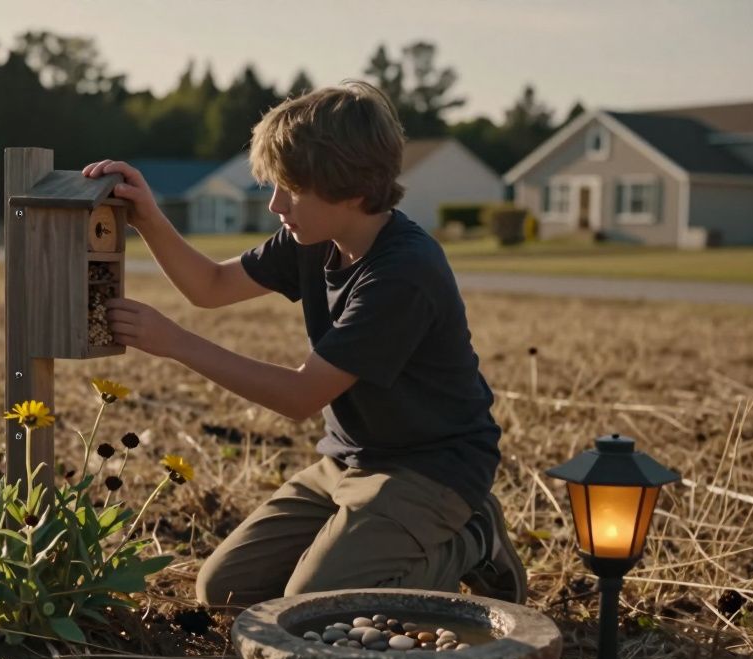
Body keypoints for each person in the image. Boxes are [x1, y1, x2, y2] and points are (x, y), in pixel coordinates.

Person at [81, 80, 525, 609]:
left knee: (318, 604)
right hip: (348, 462)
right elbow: (211, 287)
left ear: (352, 190)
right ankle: (356, 552)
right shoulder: (310, 239)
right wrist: (147, 217)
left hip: (432, 469)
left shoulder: (403, 274)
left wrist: (174, 342)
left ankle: (474, 540)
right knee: (223, 590)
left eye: (290, 187)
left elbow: (300, 396)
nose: (274, 204)